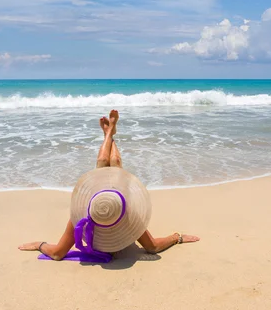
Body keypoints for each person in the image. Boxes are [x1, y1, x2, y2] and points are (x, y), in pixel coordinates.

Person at [18, 110, 200, 261]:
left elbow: (58, 253)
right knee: (114, 163)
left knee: (106, 162)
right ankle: (109, 132)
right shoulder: (125, 216)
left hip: (107, 196)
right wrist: (177, 237)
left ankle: (108, 134)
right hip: (106, 198)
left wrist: (40, 245)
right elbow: (152, 247)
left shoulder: (84, 218)